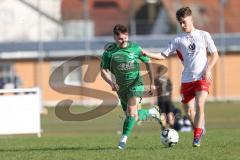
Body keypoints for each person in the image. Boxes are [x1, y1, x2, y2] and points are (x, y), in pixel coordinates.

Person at [142, 7, 219, 147]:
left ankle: (196, 138)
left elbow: (215, 55)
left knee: (200, 105)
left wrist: (208, 69)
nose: (182, 25)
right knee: (189, 111)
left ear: (191, 19)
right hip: (187, 80)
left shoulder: (204, 35)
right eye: (180, 23)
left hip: (202, 77)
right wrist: (147, 53)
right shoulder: (178, 40)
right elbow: (162, 55)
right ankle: (199, 126)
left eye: (184, 22)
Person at [100, 24, 161, 149]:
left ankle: (122, 141)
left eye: (125, 38)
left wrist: (152, 82)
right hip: (121, 89)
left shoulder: (135, 48)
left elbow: (148, 62)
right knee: (132, 117)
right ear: (114, 38)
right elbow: (103, 70)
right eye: (120, 39)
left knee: (131, 113)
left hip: (136, 85)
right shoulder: (109, 53)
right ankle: (153, 112)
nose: (123, 41)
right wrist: (111, 83)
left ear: (127, 36)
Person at [154, 66, 175, 130]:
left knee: (162, 113)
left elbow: (155, 89)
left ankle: (163, 126)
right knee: (170, 112)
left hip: (161, 99)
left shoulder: (156, 80)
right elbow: (172, 88)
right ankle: (172, 126)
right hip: (168, 98)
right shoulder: (167, 79)